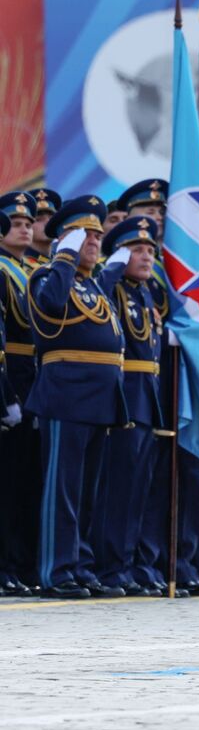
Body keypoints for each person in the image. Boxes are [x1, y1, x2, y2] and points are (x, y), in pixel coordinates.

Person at [26, 196, 127, 599]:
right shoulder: (47, 277)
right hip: (67, 393)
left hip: (99, 396)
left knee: (87, 492)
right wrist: (64, 260)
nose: (94, 240)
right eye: (84, 234)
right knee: (62, 490)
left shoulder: (92, 285)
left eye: (97, 234)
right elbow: (50, 307)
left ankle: (81, 564)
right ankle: (57, 570)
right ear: (64, 240)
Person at [91, 216, 164, 596]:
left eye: (151, 249)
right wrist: (111, 267)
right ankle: (111, 564)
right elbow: (94, 299)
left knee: (140, 488)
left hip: (146, 395)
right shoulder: (113, 286)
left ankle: (133, 562)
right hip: (124, 395)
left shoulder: (144, 293)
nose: (147, 256)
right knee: (117, 488)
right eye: (137, 249)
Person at [0, 191, 38, 595]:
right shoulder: (3, 270)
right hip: (12, 373)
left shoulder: (30, 269)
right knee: (9, 482)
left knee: (27, 479)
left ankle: (22, 562)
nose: (25, 226)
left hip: (33, 377)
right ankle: (6, 564)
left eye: (30, 222)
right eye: (17, 222)